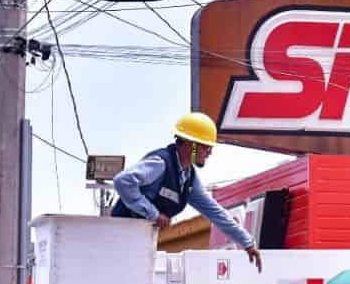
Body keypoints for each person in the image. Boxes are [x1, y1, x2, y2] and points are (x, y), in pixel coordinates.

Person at [112, 112, 262, 271]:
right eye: (205, 146)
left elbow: (215, 212)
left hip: (140, 242)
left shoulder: (188, 179)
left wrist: (247, 242)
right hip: (120, 237)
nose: (209, 152)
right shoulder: (161, 163)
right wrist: (153, 214)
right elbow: (123, 181)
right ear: (191, 144)